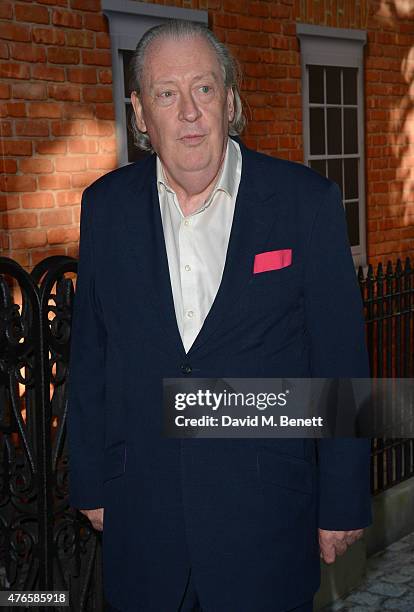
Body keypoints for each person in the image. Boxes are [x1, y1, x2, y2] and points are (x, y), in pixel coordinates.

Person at [67, 20, 372, 612]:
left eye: (204, 89)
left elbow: (341, 361)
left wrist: (343, 500)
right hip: (143, 520)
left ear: (230, 101)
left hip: (266, 522)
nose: (188, 112)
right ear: (138, 112)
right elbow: (91, 357)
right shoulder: (105, 208)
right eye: (166, 93)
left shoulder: (304, 203)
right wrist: (91, 482)